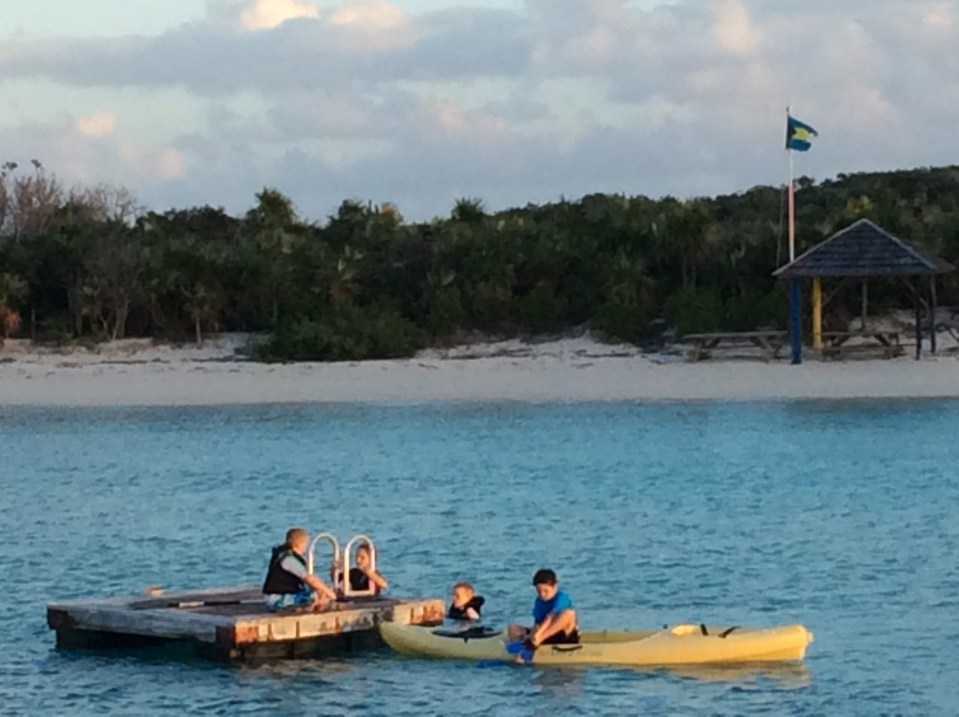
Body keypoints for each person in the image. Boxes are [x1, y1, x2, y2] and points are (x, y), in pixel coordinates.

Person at [262, 527, 337, 612]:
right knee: (315, 596)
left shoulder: (285, 555)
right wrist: (331, 594)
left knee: (320, 593)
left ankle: (315, 605)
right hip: (277, 599)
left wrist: (322, 590)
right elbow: (309, 578)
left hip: (287, 594)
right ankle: (312, 605)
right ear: (301, 544)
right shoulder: (288, 559)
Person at [508, 568, 579, 648]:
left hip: (563, 636)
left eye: (546, 591)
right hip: (544, 635)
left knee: (569, 613)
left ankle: (535, 642)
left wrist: (538, 635)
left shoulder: (562, 597)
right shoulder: (539, 601)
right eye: (539, 591)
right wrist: (532, 634)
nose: (542, 594)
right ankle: (520, 652)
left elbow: (550, 617)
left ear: (555, 586)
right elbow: (537, 623)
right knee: (512, 628)